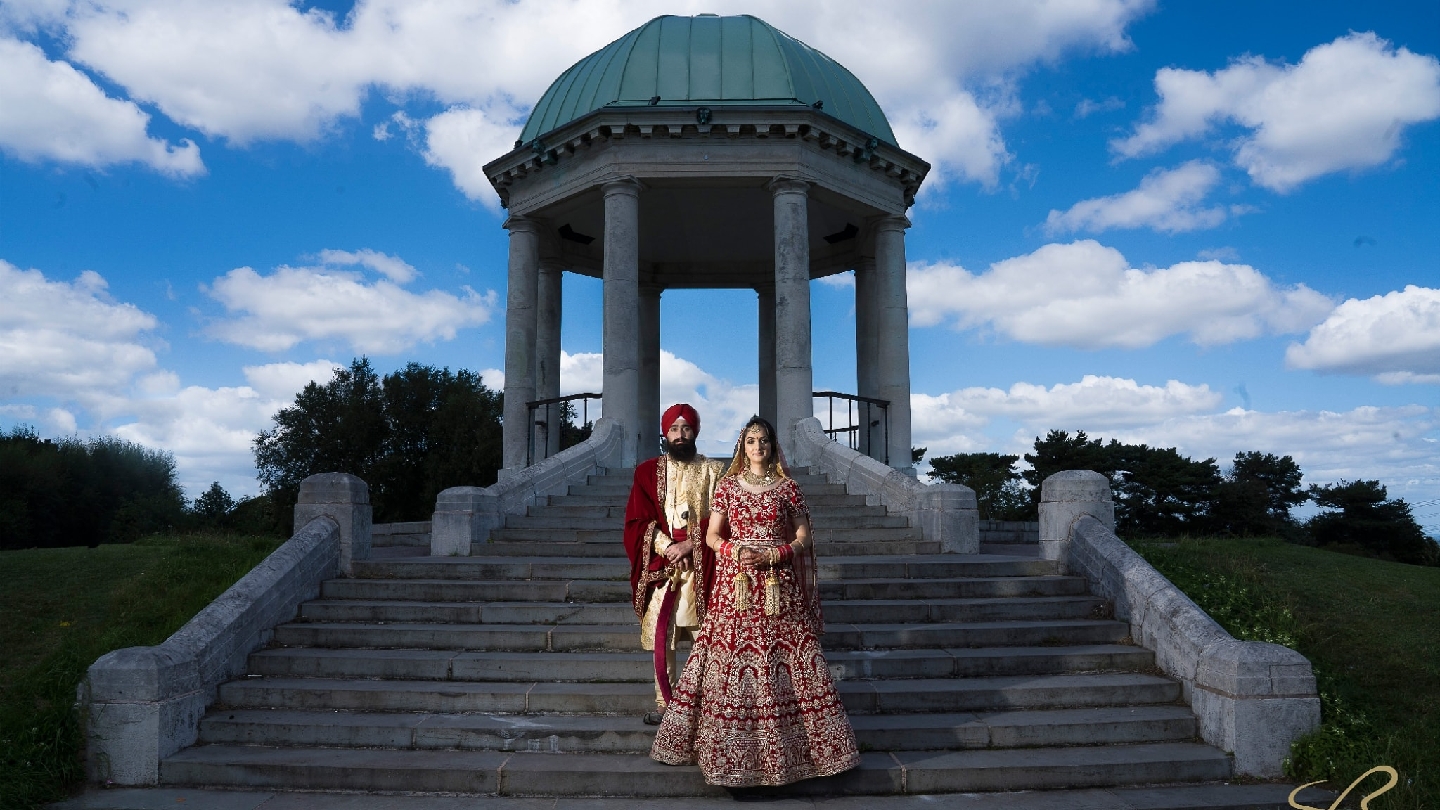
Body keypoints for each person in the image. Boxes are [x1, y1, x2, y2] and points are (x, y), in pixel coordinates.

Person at [651, 416, 860, 787]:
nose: (757, 447)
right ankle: (728, 753)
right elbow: (712, 536)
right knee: (730, 661)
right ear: (742, 446)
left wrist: (777, 554)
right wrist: (735, 550)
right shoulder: (728, 487)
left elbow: (804, 537)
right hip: (738, 585)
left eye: (763, 441)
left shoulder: (788, 488)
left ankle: (802, 753)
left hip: (779, 585)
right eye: (750, 441)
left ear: (773, 446)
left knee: (788, 660)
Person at [623, 403, 728, 725]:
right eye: (673, 429)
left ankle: (709, 704)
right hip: (663, 563)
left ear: (696, 431)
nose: (680, 435)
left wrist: (691, 545)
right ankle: (664, 703)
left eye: (686, 429)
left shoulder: (715, 470)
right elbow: (638, 519)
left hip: (703, 564)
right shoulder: (647, 471)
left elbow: (725, 518)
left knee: (706, 636)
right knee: (662, 636)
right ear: (664, 433)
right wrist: (668, 546)